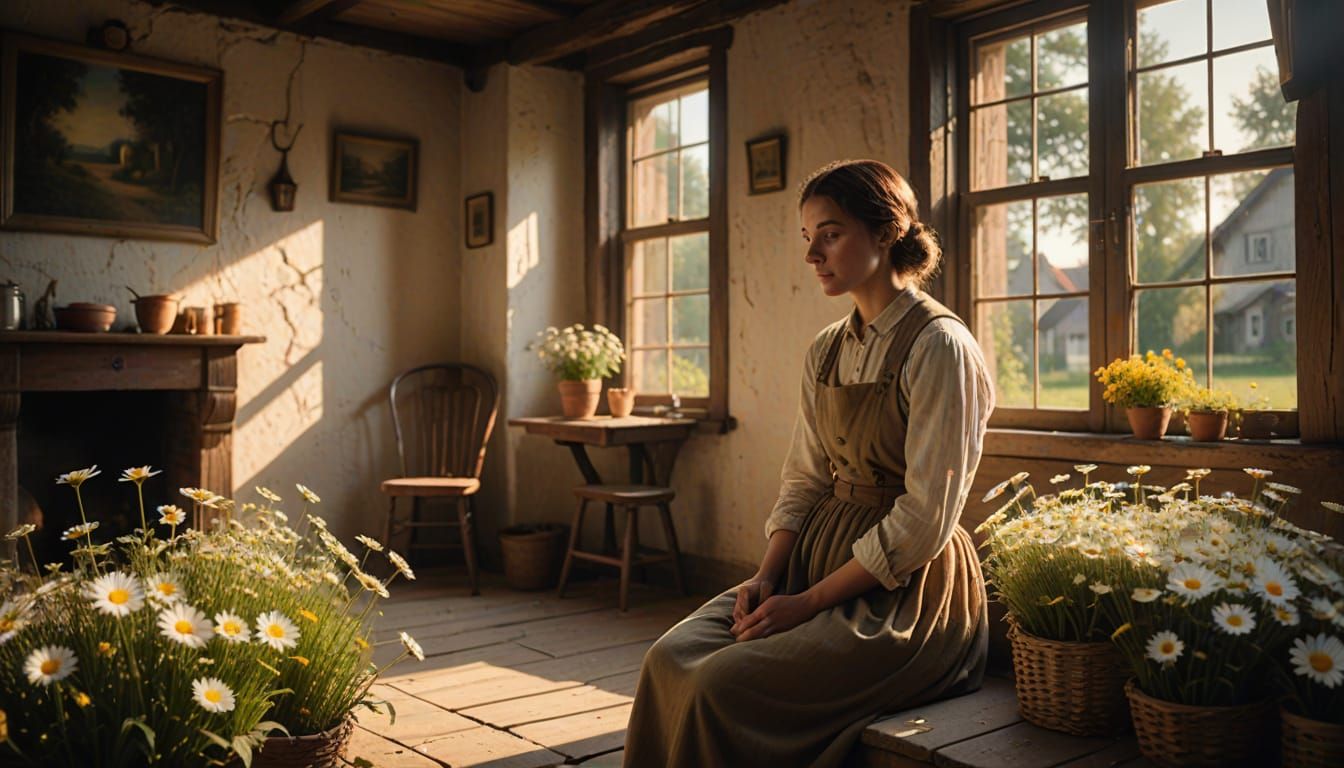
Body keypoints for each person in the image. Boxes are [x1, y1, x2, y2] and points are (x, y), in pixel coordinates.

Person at [622, 159, 995, 767]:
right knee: (667, 658)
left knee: (721, 684)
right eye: (808, 237)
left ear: (884, 233)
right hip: (811, 562)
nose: (812, 254)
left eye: (830, 233)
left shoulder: (940, 347)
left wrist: (809, 603)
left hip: (904, 596)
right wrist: (767, 577)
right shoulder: (826, 350)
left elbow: (924, 519)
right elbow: (804, 478)